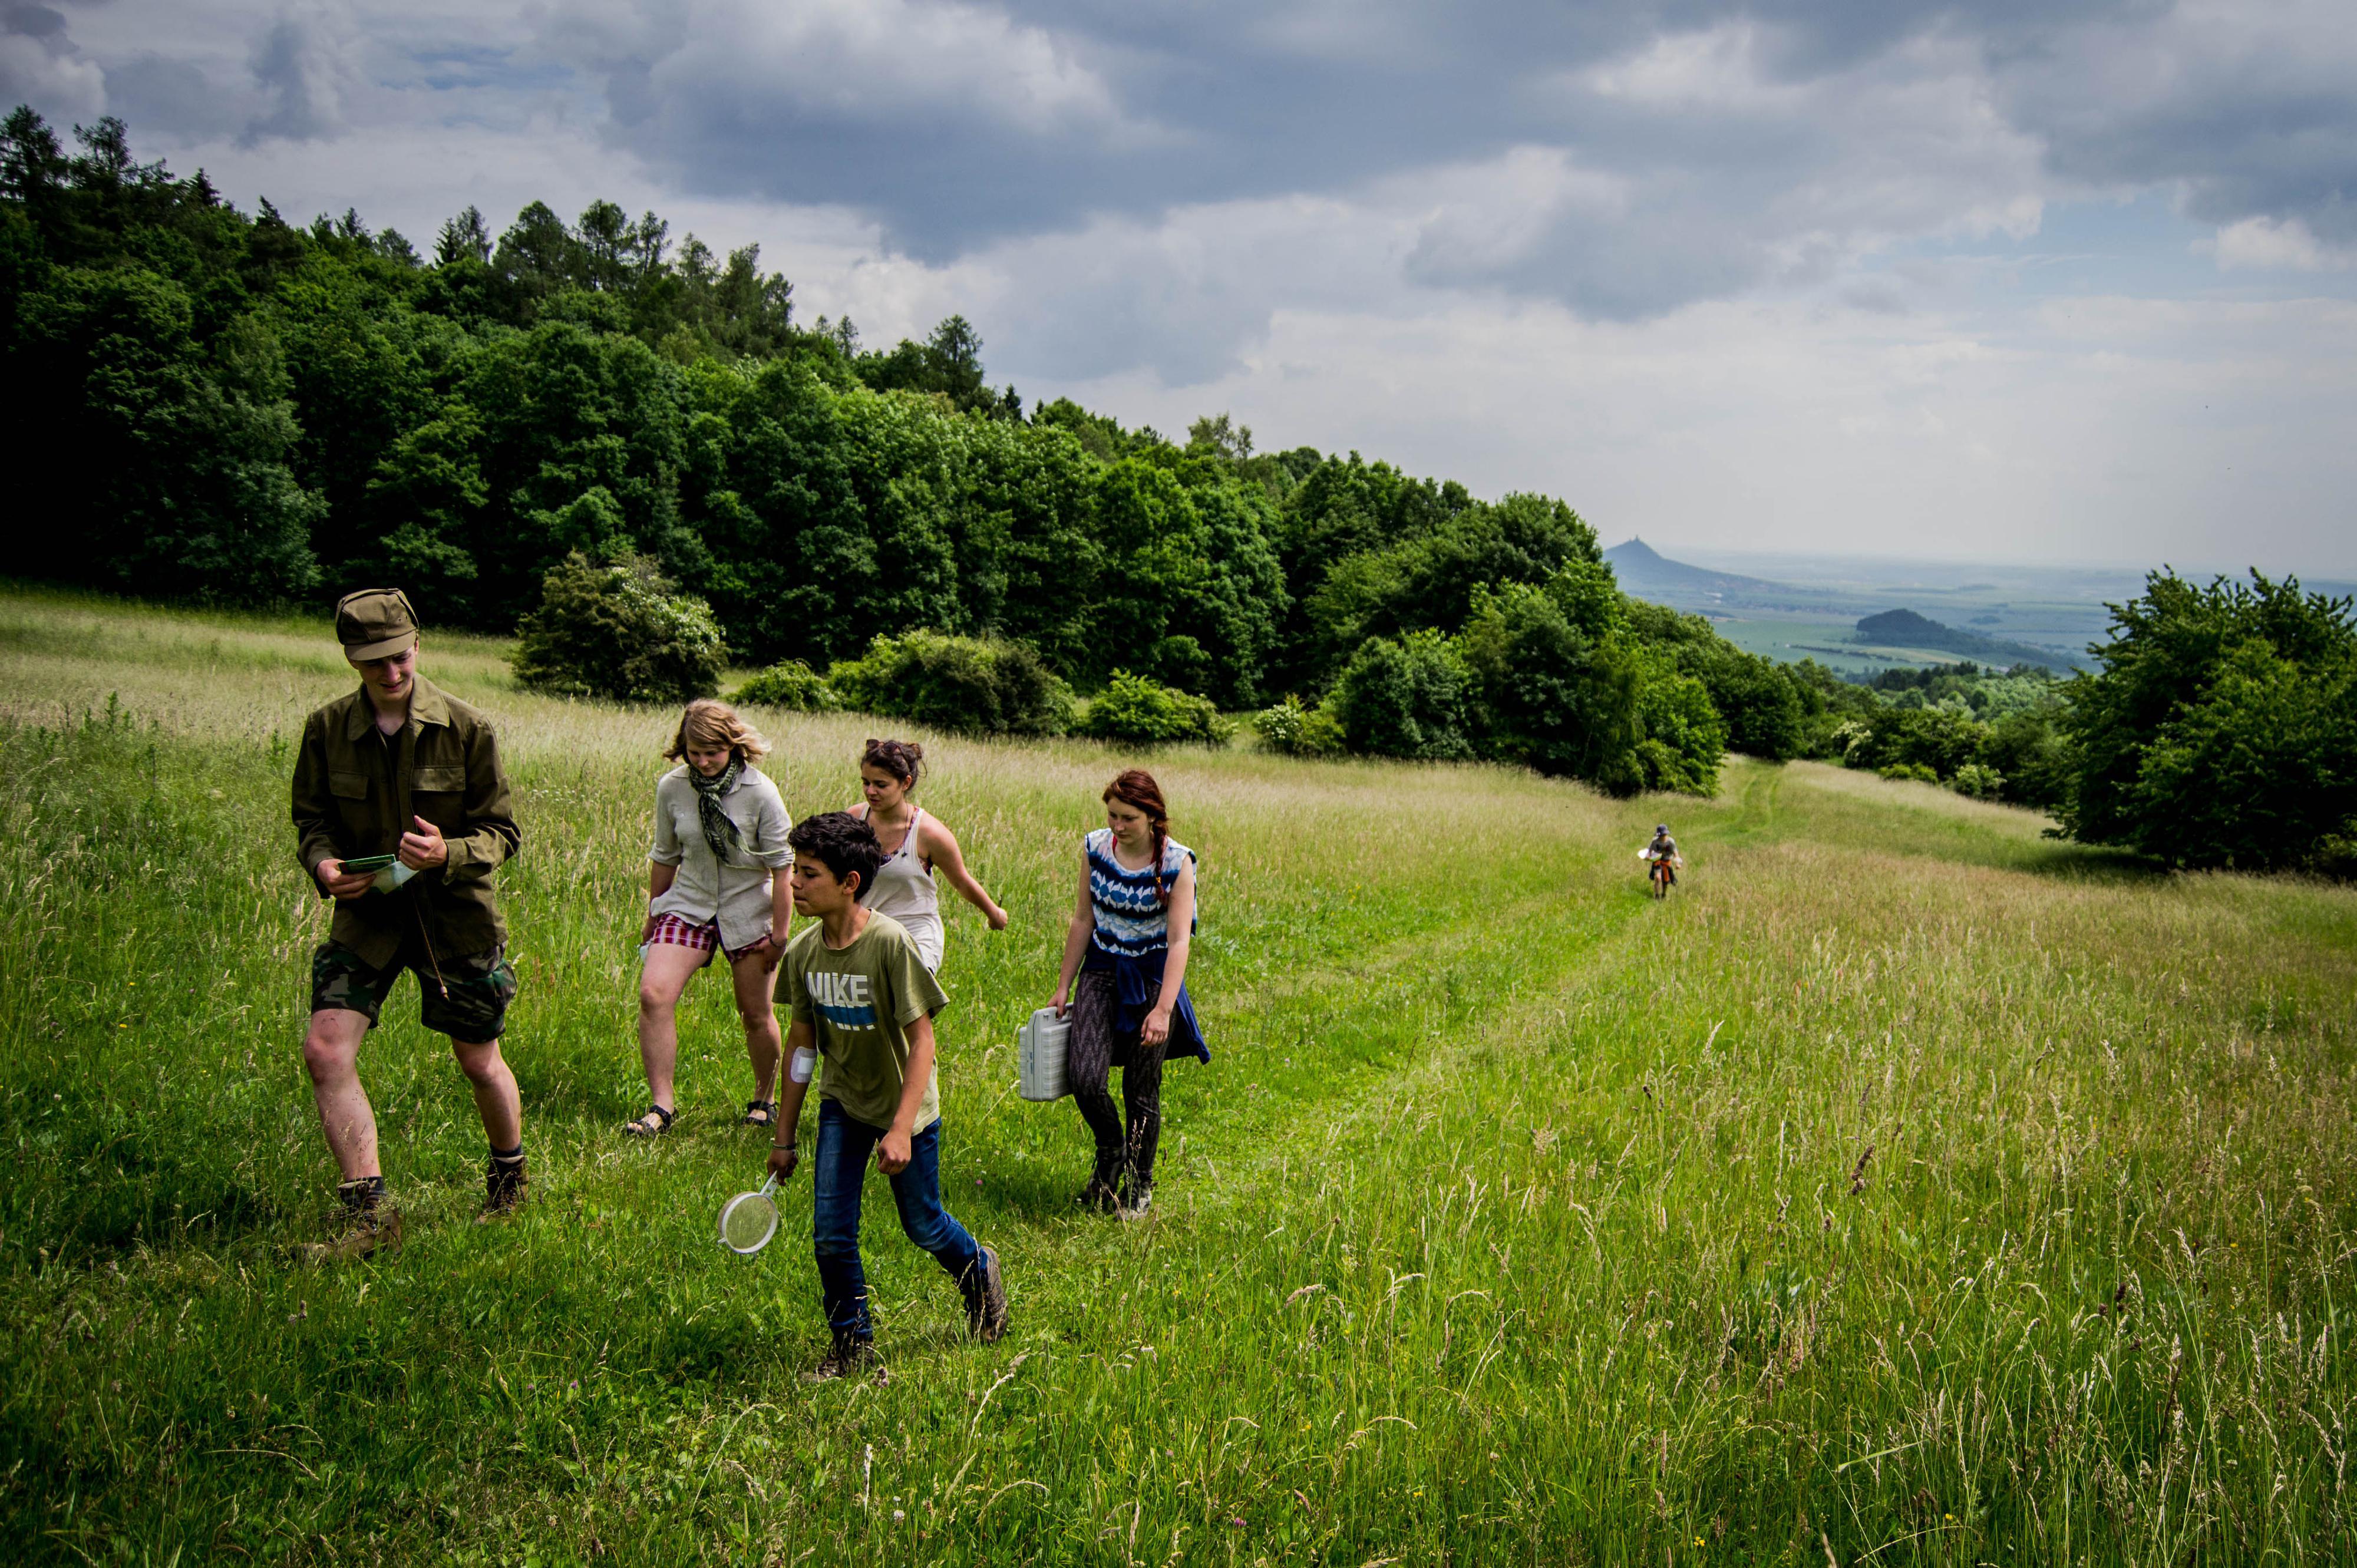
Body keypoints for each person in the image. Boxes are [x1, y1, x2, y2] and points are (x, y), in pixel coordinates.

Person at [291, 588, 524, 1261]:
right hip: (367, 919)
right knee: (325, 1050)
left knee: (478, 1059)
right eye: (373, 664)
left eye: (399, 658)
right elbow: (312, 822)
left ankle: (509, 1181)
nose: (391, 675)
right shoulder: (326, 728)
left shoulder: (467, 727)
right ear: (350, 660)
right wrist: (325, 866)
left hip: (455, 920)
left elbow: (503, 833)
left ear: (417, 644)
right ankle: (370, 1215)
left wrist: (447, 853)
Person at [763, 811, 1007, 1384]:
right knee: (830, 1232)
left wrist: (900, 1128)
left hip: (907, 1110)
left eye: (809, 874)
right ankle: (853, 1346)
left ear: (849, 882)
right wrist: (783, 1136)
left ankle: (979, 1269)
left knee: (922, 1226)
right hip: (843, 1105)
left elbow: (923, 1042)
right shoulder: (802, 954)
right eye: (795, 871)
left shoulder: (889, 945)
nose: (794, 884)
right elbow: (801, 1046)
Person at [625, 699, 795, 1137]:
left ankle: (764, 1098)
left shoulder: (761, 792)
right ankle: (662, 1106)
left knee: (755, 1012)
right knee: (653, 993)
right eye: (693, 752)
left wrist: (780, 935)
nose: (701, 762)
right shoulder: (673, 787)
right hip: (690, 901)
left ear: (733, 747)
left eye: (712, 753)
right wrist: (652, 915)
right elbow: (665, 857)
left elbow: (782, 868)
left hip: (748, 909)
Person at [1050, 769, 1207, 1219]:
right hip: (1102, 970)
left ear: (1153, 817)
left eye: (1129, 818)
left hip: (1153, 978)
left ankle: (1139, 1187)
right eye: (1113, 815)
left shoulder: (1179, 862)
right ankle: (1111, 1149)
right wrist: (1064, 985)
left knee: (1140, 1089)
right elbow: (1083, 919)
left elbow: (1180, 941)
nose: (1118, 825)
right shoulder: (1095, 847)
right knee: (1083, 1076)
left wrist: (1162, 1009)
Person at [846, 737, 1007, 973]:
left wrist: (995, 914)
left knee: (902, 1004)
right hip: (865, 934)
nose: (871, 791)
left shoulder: (929, 833)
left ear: (905, 783)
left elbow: (961, 880)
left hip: (915, 936)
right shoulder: (854, 820)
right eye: (866, 782)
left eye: (881, 785)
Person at [1643, 823, 1681, 890]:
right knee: (1658, 878)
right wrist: (1648, 856)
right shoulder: (1655, 842)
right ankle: (1657, 895)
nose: (1663, 837)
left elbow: (1675, 853)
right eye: (1662, 835)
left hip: (1667, 862)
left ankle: (1664, 894)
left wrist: (1677, 863)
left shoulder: (1671, 842)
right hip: (1657, 861)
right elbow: (1650, 850)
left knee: (1665, 881)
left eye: (1664, 835)